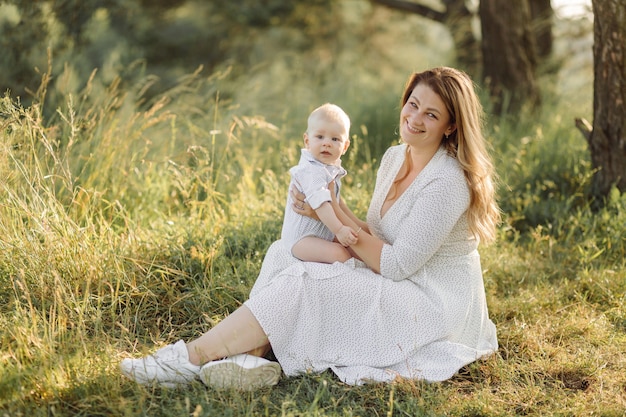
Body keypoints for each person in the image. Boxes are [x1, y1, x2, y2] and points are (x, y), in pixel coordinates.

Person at [119, 66, 501, 390]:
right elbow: (378, 231)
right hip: (393, 273)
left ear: (451, 126)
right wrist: (330, 209)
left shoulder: (447, 182)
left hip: (432, 302)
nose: (414, 119)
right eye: (413, 105)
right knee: (284, 251)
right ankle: (252, 358)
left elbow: (399, 263)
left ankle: (186, 359)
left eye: (431, 115)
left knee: (307, 277)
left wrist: (330, 221)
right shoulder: (394, 157)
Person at [282, 103, 358, 264]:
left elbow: (336, 203)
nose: (327, 143)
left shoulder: (328, 168)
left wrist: (347, 227)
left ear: (345, 146)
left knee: (354, 249)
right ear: (307, 141)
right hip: (301, 239)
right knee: (340, 254)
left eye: (335, 139)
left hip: (320, 235)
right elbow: (321, 204)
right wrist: (339, 230)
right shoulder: (311, 170)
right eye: (320, 137)